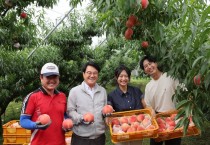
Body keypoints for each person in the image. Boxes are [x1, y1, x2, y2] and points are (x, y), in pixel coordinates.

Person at [20, 62, 67, 145]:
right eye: (48, 77)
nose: (52, 80)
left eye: (55, 77)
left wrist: (67, 124)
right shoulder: (32, 96)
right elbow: (23, 121)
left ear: (58, 78)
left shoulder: (62, 96)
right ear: (41, 77)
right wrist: (35, 125)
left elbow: (65, 116)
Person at [139, 55, 181, 145]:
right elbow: (149, 105)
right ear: (145, 71)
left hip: (174, 117)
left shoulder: (170, 77)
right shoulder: (148, 86)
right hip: (158, 118)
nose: (149, 67)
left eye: (150, 63)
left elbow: (183, 93)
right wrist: (151, 111)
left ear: (156, 63)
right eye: (145, 66)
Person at [67, 61, 107, 145]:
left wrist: (106, 114)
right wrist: (82, 118)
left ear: (98, 75)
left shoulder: (102, 91)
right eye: (89, 73)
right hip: (81, 138)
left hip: (99, 138)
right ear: (83, 74)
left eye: (95, 73)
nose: (92, 75)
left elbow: (104, 110)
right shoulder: (75, 91)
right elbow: (70, 111)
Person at [108, 65, 145, 145]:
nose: (123, 79)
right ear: (116, 78)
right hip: (121, 131)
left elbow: (145, 105)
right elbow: (109, 109)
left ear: (129, 77)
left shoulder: (137, 91)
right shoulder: (112, 95)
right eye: (121, 76)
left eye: (126, 76)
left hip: (137, 128)